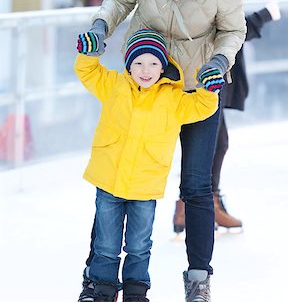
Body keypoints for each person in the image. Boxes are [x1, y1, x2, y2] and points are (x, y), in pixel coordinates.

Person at [77, 0, 246, 302]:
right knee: (117, 177)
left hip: (200, 87)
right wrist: (100, 27)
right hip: (147, 83)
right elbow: (119, 1)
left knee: (197, 186)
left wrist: (218, 61)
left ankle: (198, 278)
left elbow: (233, 31)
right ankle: (96, 279)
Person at [75, 28, 221, 302]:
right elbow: (89, 72)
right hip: (109, 180)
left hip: (145, 186)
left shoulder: (173, 98)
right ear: (128, 64)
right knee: (106, 244)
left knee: (139, 245)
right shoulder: (115, 86)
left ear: (163, 67)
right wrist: (88, 52)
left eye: (154, 63)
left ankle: (135, 291)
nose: (146, 70)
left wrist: (209, 88)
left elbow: (201, 107)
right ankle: (103, 288)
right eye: (138, 63)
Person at [172, 0, 281, 233]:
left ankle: (191, 206)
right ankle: (198, 205)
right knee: (212, 143)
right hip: (205, 80)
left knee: (215, 143)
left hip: (212, 79)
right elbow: (230, 31)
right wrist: (264, 16)